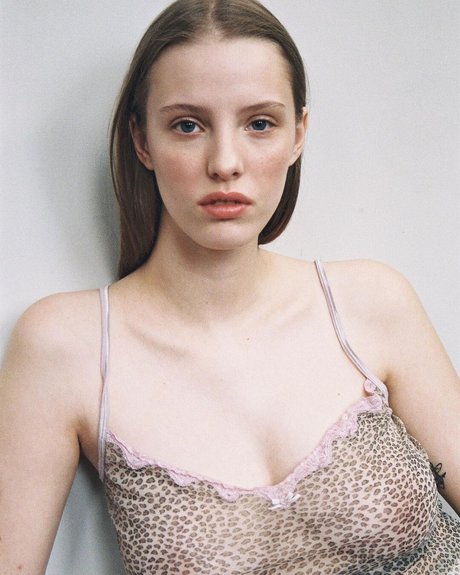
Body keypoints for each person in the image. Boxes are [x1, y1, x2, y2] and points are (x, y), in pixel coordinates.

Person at [1, 0, 459, 573]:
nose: (225, 162)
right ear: (141, 141)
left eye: (259, 123)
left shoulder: (370, 302)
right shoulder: (67, 346)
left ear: (298, 135)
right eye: (187, 125)